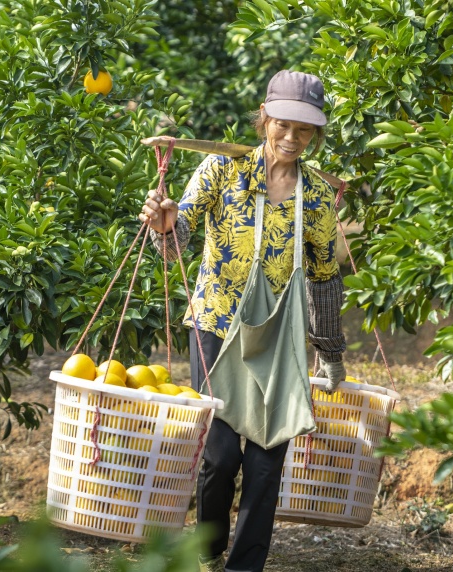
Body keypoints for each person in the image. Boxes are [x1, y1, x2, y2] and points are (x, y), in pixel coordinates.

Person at [139, 69, 346, 572]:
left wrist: (331, 353)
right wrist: (164, 223)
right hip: (216, 323)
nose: (292, 139)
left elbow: (323, 279)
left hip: (279, 337)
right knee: (221, 455)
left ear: (315, 134)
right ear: (264, 118)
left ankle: (244, 566)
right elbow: (178, 234)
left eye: (304, 131)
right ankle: (208, 551)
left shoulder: (316, 197)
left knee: (266, 458)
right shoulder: (221, 170)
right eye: (283, 126)